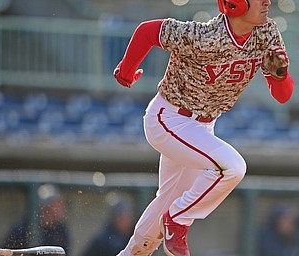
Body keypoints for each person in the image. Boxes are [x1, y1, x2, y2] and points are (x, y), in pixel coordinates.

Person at [113, 0, 295, 254]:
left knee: (164, 203)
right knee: (232, 167)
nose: (268, 2)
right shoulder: (204, 36)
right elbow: (148, 32)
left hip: (202, 127)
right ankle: (178, 219)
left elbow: (283, 95)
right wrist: (126, 72)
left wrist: (280, 75)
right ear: (235, 3)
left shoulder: (266, 33)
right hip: (169, 118)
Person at [3, 184, 70, 254]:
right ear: (46, 207)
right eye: (56, 203)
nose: (61, 206)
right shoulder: (23, 227)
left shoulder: (61, 230)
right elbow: (6, 252)